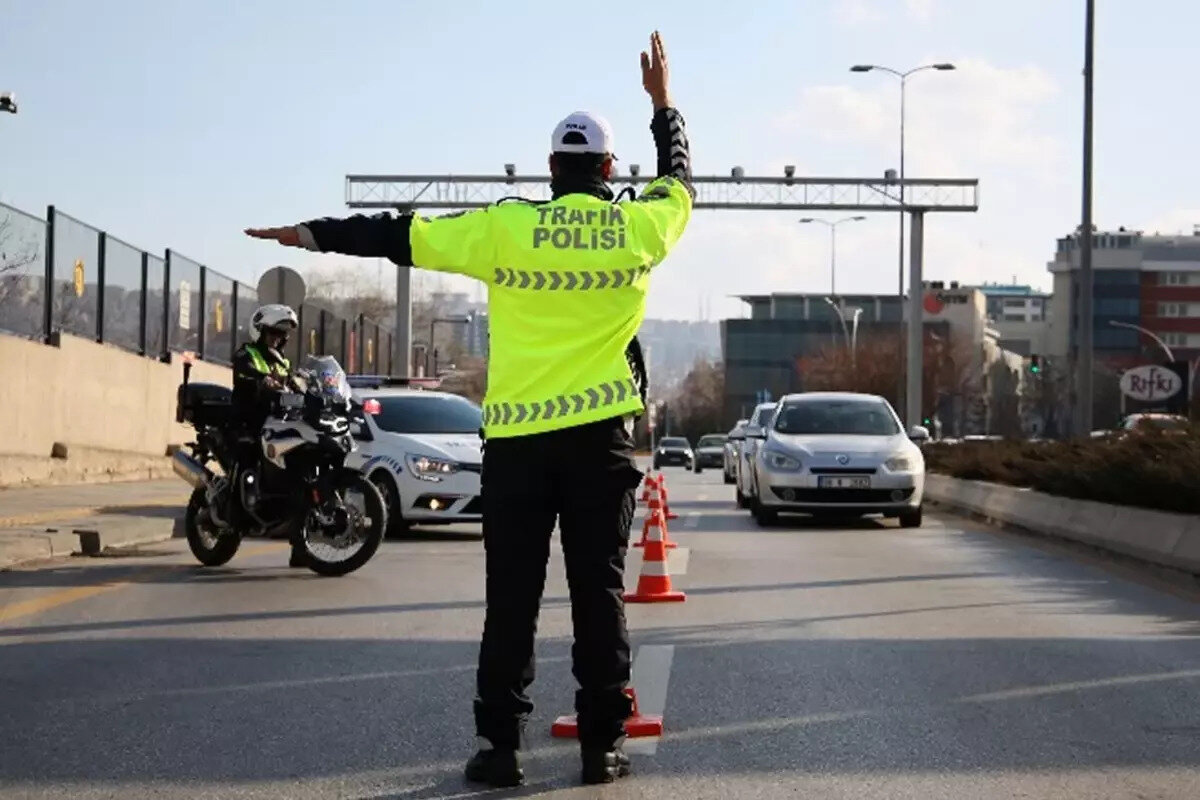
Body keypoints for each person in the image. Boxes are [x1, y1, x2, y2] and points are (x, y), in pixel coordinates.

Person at [244, 30, 692, 785]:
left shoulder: (505, 225)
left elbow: (398, 235)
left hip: (518, 446)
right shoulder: (639, 226)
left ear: (552, 170)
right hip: (599, 445)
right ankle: (601, 746)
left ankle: (499, 750)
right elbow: (681, 180)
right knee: (600, 593)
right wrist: (664, 104)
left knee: (511, 601)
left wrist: (309, 233)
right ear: (611, 171)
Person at [230, 303, 306, 567]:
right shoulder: (246, 353)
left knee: (299, 478)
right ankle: (236, 507)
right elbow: (243, 369)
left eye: (281, 334)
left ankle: (301, 547)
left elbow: (295, 383)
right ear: (260, 331)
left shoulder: (283, 361)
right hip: (248, 422)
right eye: (272, 332)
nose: (277, 338)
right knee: (247, 459)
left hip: (278, 424)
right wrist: (263, 379)